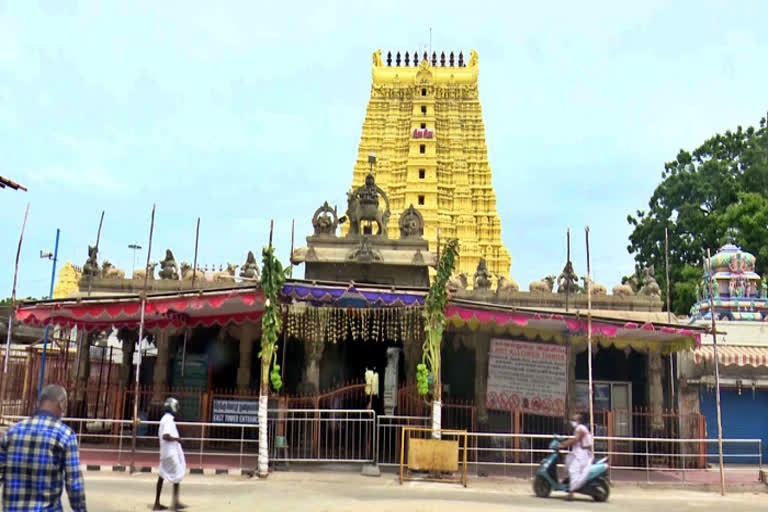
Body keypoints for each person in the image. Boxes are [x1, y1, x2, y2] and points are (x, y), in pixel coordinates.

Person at [0, 384, 87, 511]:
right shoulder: (65, 435)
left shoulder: (11, 432)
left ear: (39, 403)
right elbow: (74, 483)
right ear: (62, 404)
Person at [153, 397, 187, 511]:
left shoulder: (165, 419)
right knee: (177, 476)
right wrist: (178, 439)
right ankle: (175, 503)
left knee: (162, 476)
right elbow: (166, 436)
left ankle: (157, 503)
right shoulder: (168, 420)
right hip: (170, 453)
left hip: (165, 453)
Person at [560, 413, 594, 501]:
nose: (572, 421)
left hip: (581, 454)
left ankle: (571, 493)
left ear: (578, 421)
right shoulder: (579, 428)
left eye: (574, 420)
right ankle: (567, 481)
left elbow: (576, 439)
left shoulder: (580, 428)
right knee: (567, 460)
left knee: (573, 470)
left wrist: (564, 444)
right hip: (578, 452)